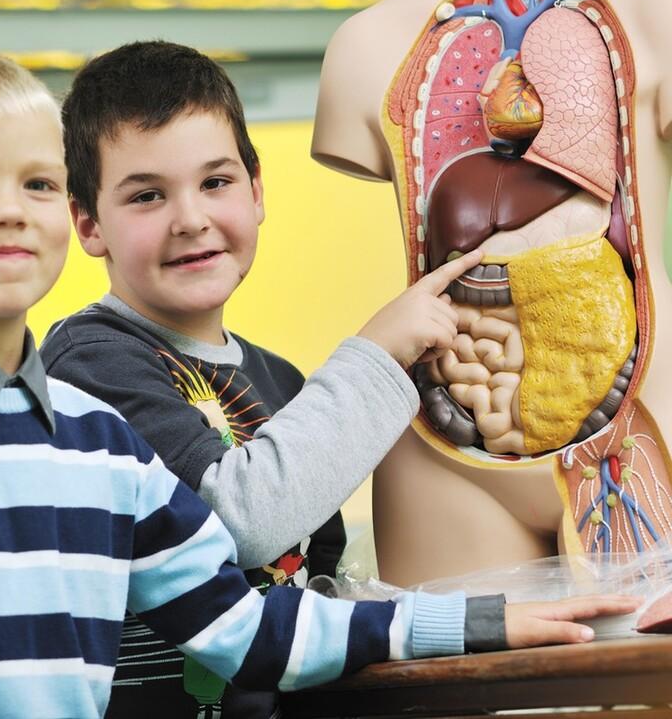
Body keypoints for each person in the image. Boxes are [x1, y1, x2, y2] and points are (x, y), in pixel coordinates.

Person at [0, 44, 640, 719]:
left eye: (32, 182)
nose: (7, 210)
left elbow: (252, 629)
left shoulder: (98, 443)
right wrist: (379, 354)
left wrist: (489, 621)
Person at [38, 39, 488, 717]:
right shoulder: (89, 361)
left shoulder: (276, 377)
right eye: (147, 195)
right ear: (87, 222)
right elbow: (230, 523)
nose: (190, 218)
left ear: (256, 191)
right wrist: (376, 353)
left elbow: (318, 579)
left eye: (214, 182)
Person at [310, 0, 672, 585]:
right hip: (442, 449)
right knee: (465, 691)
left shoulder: (659, 0)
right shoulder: (365, 45)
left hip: (644, 421)